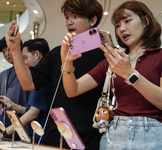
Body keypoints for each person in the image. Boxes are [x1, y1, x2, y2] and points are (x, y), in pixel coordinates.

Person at [60, 1, 162, 149]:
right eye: (118, 25)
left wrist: (130, 74)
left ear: (145, 21)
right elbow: (72, 90)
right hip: (113, 135)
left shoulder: (159, 57)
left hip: (150, 136)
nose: (122, 29)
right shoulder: (111, 61)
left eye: (127, 20)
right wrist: (66, 62)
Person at [5, 0, 105, 149]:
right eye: (66, 17)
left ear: (92, 20)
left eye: (76, 16)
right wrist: (15, 49)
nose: (69, 22)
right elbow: (28, 83)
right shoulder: (57, 53)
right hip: (55, 136)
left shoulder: (105, 55)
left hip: (90, 139)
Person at [0, 38, 53, 144]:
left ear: (37, 54)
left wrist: (1, 133)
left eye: (25, 58)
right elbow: (33, 110)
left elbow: (33, 113)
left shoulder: (41, 79)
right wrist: (12, 105)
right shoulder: (5, 75)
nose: (24, 63)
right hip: (29, 134)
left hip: (38, 138)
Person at [0, 37, 30, 135]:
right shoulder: (3, 74)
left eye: (8, 50)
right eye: (4, 52)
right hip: (2, 119)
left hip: (21, 120)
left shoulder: (28, 72)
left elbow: (33, 110)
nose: (6, 54)